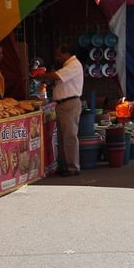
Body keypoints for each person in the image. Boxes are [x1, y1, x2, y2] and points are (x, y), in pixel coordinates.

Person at [41, 43, 84, 176]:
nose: (57, 57)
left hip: (69, 104)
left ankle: (72, 167)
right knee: (62, 136)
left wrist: (42, 75)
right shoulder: (68, 65)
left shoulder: (74, 65)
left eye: (59, 54)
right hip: (63, 104)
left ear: (66, 54)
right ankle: (65, 165)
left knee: (69, 136)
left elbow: (57, 76)